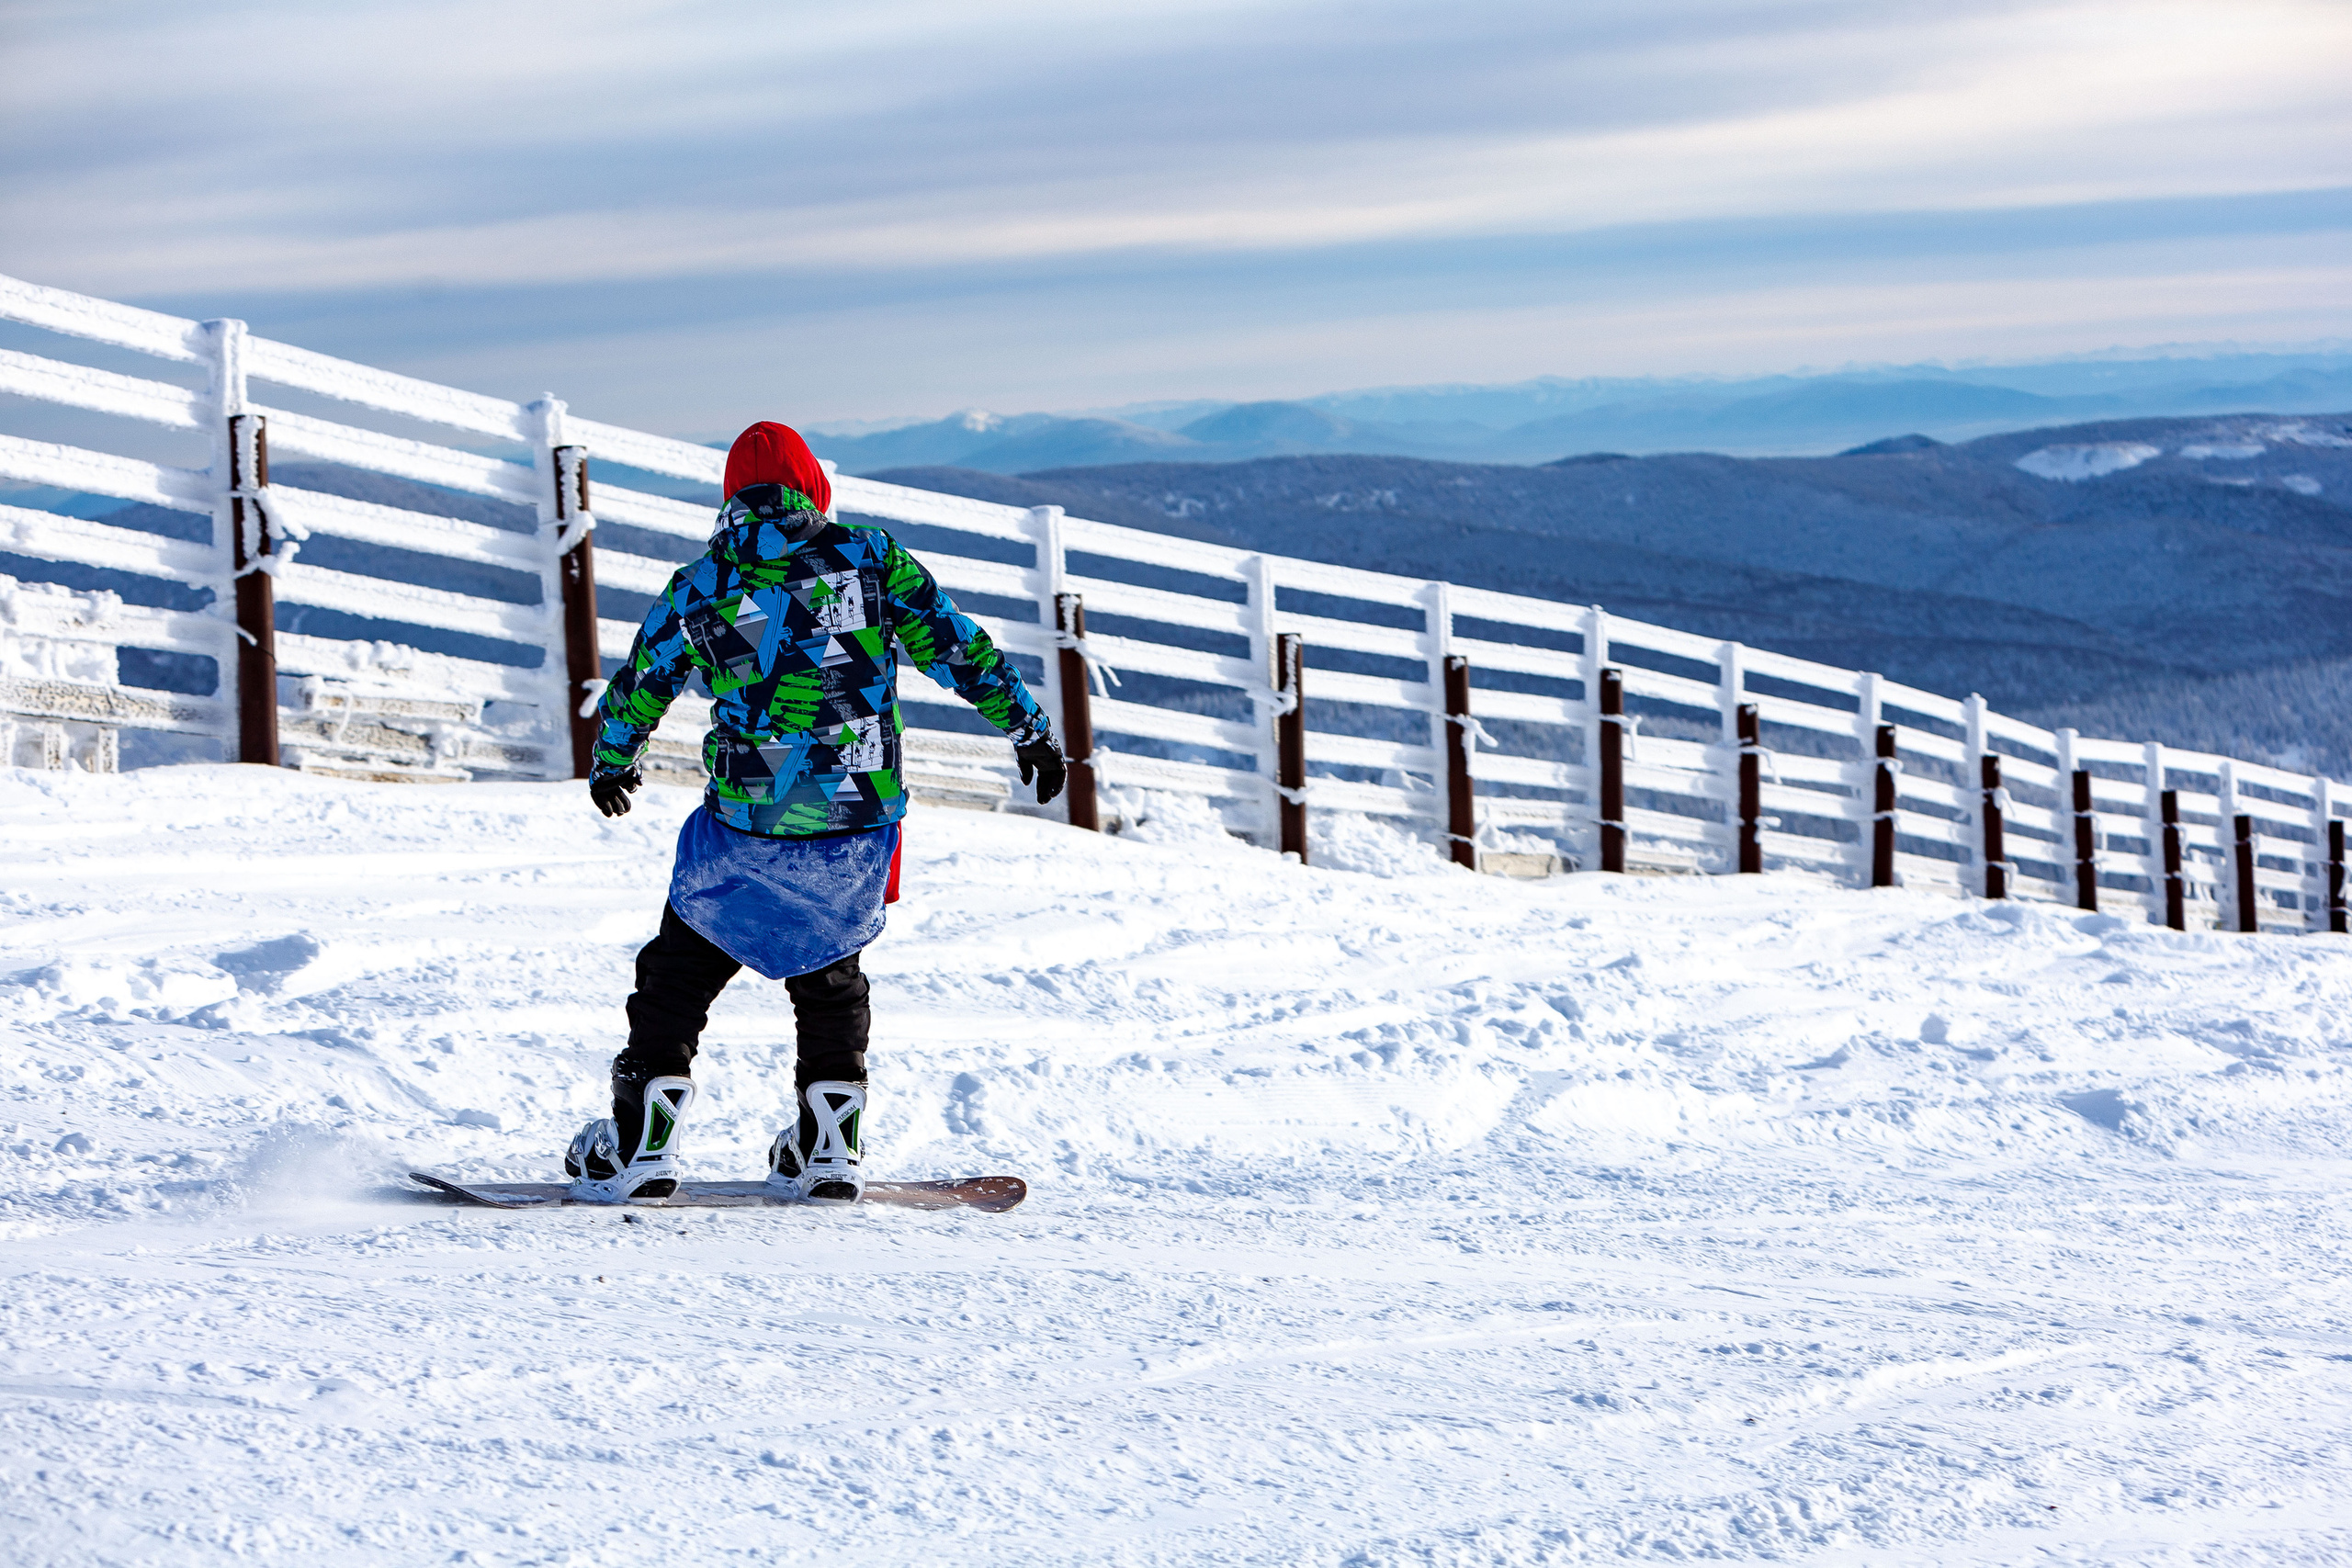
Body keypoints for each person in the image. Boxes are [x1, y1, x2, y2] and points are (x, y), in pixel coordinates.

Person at [564, 421, 1065, 1204]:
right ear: (814, 490)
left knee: (676, 974)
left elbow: (644, 681)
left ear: (733, 496)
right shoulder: (870, 559)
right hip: (853, 823)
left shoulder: (703, 582)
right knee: (831, 979)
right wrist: (1026, 725)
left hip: (746, 824)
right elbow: (957, 645)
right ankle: (830, 1144)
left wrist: (614, 759)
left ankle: (640, 1144)